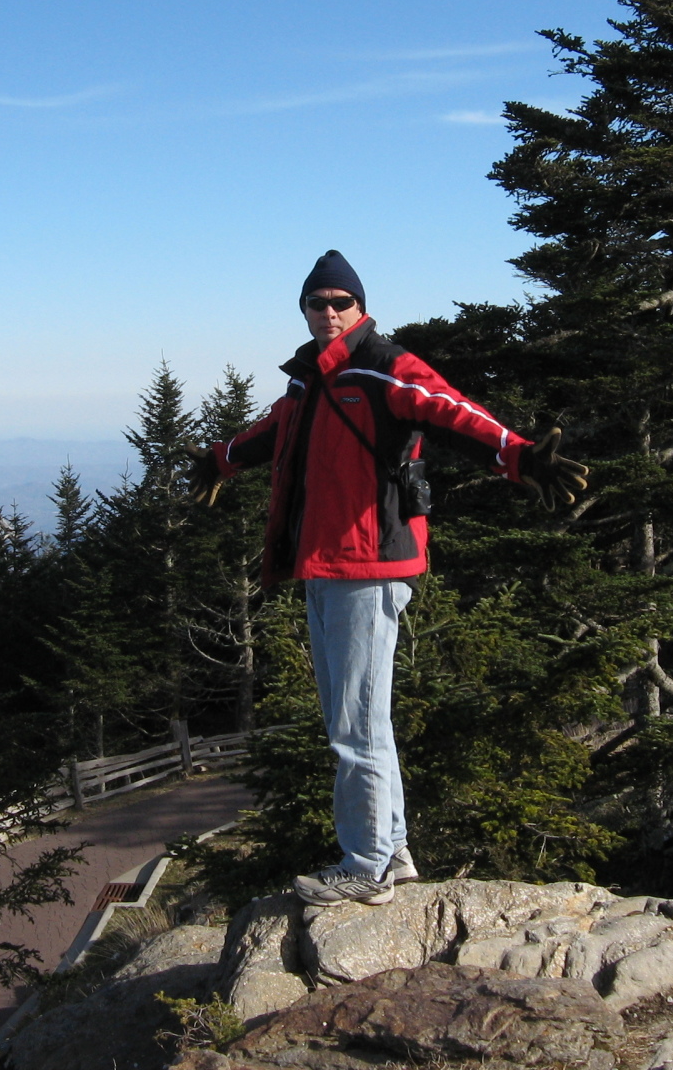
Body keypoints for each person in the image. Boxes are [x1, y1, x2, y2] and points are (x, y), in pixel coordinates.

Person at [185, 250, 587, 906]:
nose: (330, 312)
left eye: (342, 302)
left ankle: (366, 865)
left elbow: (451, 411)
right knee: (359, 718)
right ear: (305, 309)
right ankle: (391, 850)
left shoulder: (384, 366)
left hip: (368, 568)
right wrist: (219, 461)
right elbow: (272, 436)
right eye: (318, 302)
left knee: (355, 725)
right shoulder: (308, 380)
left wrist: (517, 458)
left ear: (361, 308)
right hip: (323, 566)